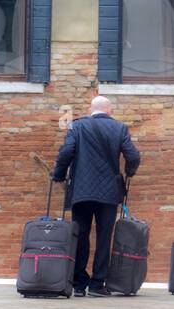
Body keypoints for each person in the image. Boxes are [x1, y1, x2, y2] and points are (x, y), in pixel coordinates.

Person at [52, 95, 141, 297]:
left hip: (81, 191)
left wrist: (58, 175)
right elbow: (133, 156)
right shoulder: (119, 128)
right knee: (104, 237)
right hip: (108, 193)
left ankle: (79, 284)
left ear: (90, 109)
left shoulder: (77, 126)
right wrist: (129, 173)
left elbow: (66, 151)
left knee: (80, 235)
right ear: (109, 111)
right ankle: (97, 284)